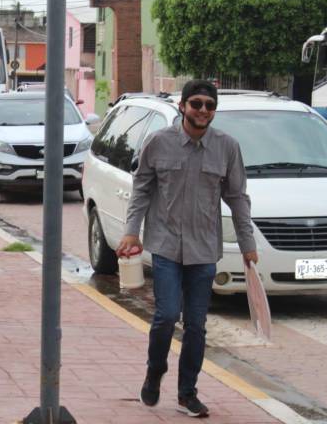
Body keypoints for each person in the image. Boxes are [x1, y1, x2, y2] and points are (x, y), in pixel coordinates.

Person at [118, 80, 258, 418]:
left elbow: (238, 198)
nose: (203, 111)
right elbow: (141, 189)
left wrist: (247, 245)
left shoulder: (227, 147)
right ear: (182, 106)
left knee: (196, 324)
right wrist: (131, 232)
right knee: (166, 316)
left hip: (204, 251)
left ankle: (187, 393)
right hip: (165, 245)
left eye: (210, 106)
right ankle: (154, 373)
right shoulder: (158, 142)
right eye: (196, 104)